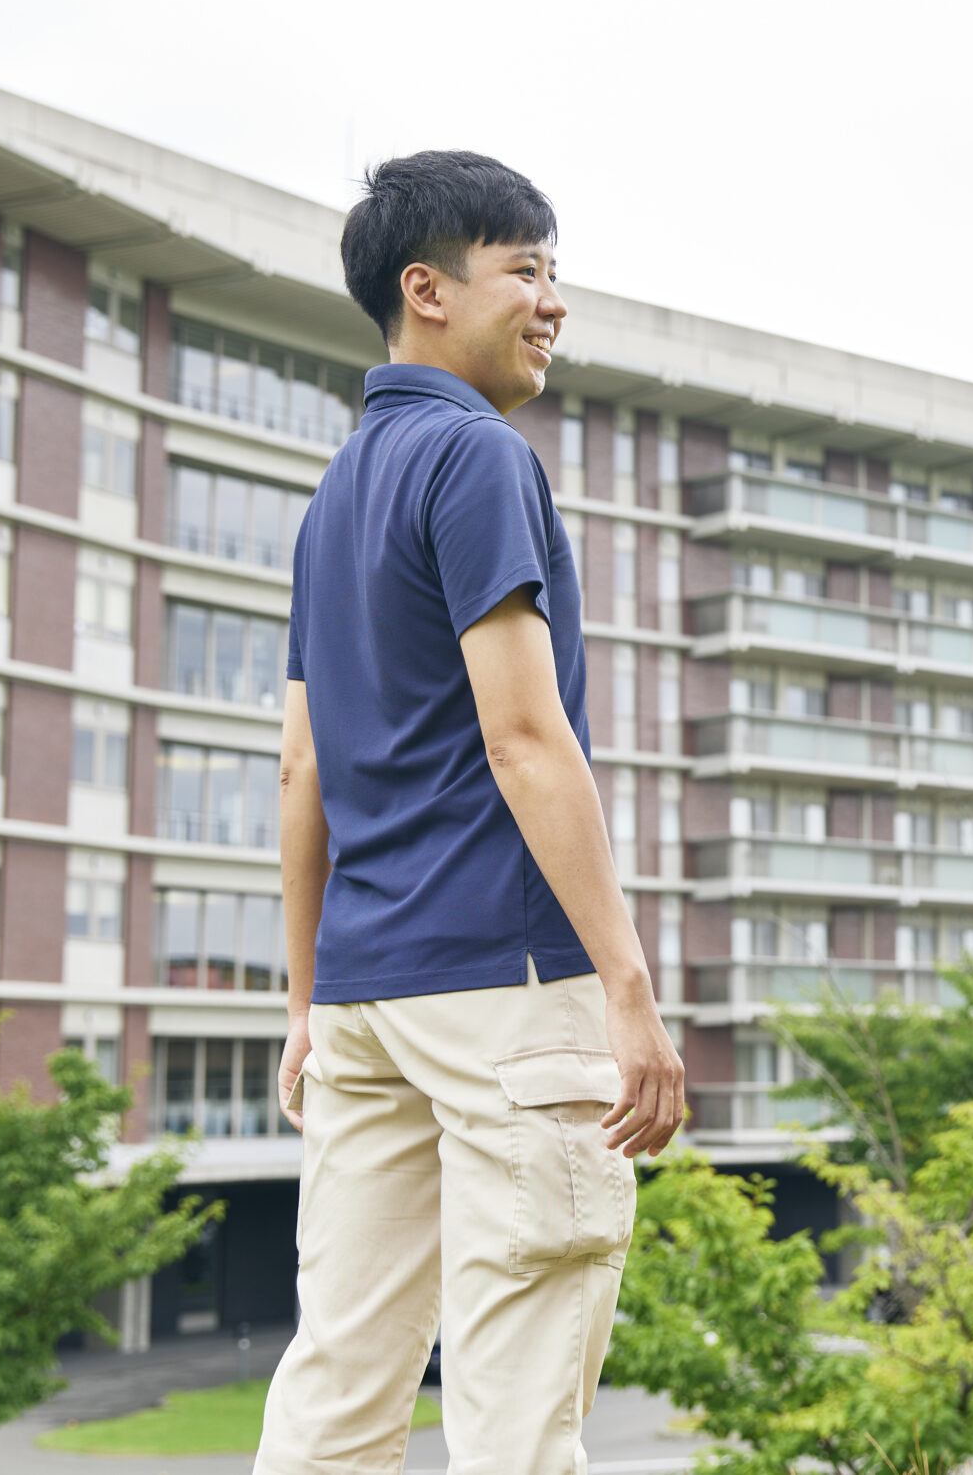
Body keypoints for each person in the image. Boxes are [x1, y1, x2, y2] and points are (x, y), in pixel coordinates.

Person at [255, 150, 683, 1475]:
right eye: (526, 269)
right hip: (502, 982)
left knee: (340, 1381)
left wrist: (305, 1001)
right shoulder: (478, 458)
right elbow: (521, 730)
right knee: (514, 1408)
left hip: (369, 1001)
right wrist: (626, 984)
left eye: (557, 271)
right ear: (427, 288)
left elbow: (300, 773)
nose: (553, 301)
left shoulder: (337, 496)